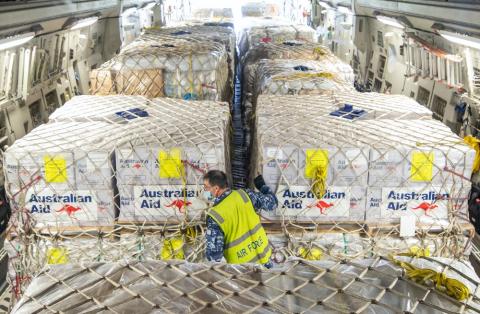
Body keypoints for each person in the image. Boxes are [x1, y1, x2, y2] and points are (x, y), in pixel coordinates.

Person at [203, 170, 277, 268]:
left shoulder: (215, 216)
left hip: (243, 273)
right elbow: (272, 203)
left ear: (216, 188)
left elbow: (214, 258)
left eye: (206, 187)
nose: (204, 190)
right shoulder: (245, 195)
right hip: (266, 262)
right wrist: (263, 187)